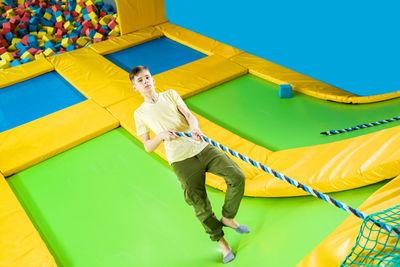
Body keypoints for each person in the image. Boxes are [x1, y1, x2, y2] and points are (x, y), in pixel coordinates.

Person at [131, 66, 249, 263]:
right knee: (200, 204)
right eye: (140, 81)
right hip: (180, 160)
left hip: (202, 147)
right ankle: (222, 244)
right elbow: (148, 146)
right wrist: (160, 136)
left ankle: (228, 218)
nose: (146, 82)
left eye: (147, 77)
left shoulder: (170, 95)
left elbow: (189, 114)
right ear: (135, 87)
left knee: (237, 176)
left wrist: (194, 128)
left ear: (153, 79)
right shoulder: (140, 113)